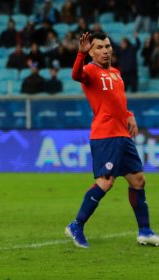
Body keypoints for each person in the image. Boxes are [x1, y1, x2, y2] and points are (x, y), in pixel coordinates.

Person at [65, 32, 159, 248]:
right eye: (99, 47)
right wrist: (80, 54)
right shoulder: (89, 71)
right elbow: (76, 75)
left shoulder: (116, 73)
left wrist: (129, 114)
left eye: (107, 46)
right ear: (91, 51)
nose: (105, 50)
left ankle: (144, 231)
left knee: (138, 180)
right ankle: (76, 225)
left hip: (122, 135)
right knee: (106, 182)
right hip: (105, 135)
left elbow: (117, 102)